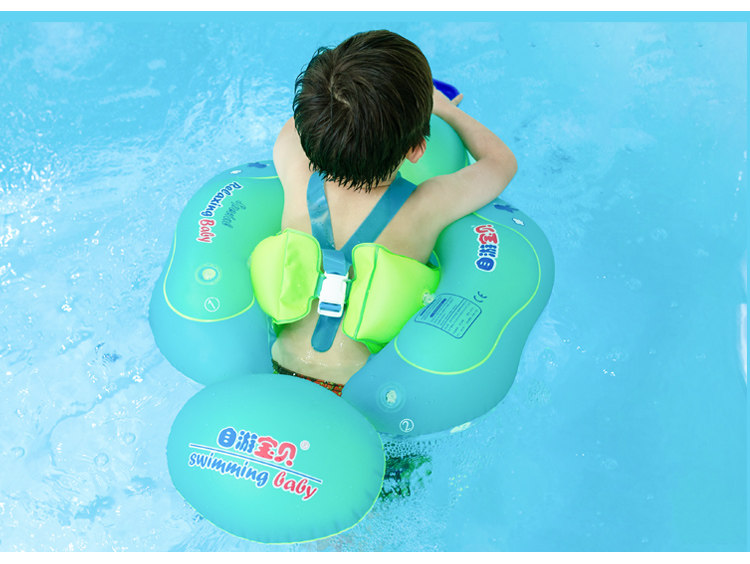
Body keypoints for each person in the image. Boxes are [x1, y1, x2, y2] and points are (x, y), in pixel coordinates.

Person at [255, 29, 517, 396]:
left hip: (281, 368)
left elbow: (294, 126)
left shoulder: (296, 170)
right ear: (417, 149)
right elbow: (501, 162)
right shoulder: (427, 205)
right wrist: (443, 108)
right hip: (358, 389)